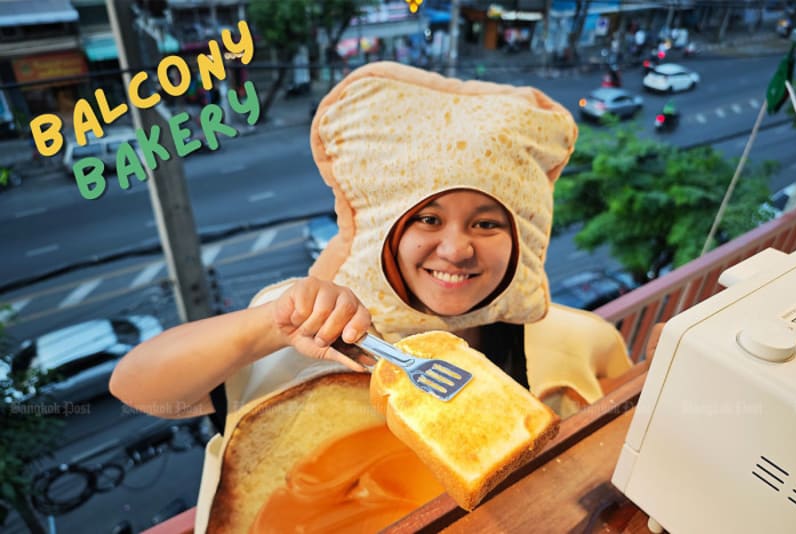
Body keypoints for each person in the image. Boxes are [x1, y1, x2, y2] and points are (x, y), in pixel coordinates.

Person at [109, 61, 632, 531]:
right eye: (427, 218)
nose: (455, 249)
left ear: (525, 236)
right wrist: (270, 325)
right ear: (386, 228)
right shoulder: (300, 325)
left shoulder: (567, 339)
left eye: (487, 223)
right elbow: (139, 388)